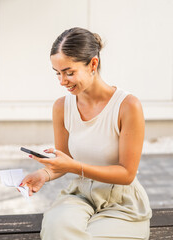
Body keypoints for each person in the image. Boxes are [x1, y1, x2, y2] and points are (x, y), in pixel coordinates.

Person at [20, 27, 152, 240]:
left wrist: (74, 167)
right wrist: (43, 175)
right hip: (80, 196)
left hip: (122, 202)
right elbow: (65, 161)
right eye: (58, 73)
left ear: (93, 64)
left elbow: (127, 174)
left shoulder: (127, 106)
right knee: (57, 229)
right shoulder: (62, 107)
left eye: (69, 72)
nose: (62, 81)